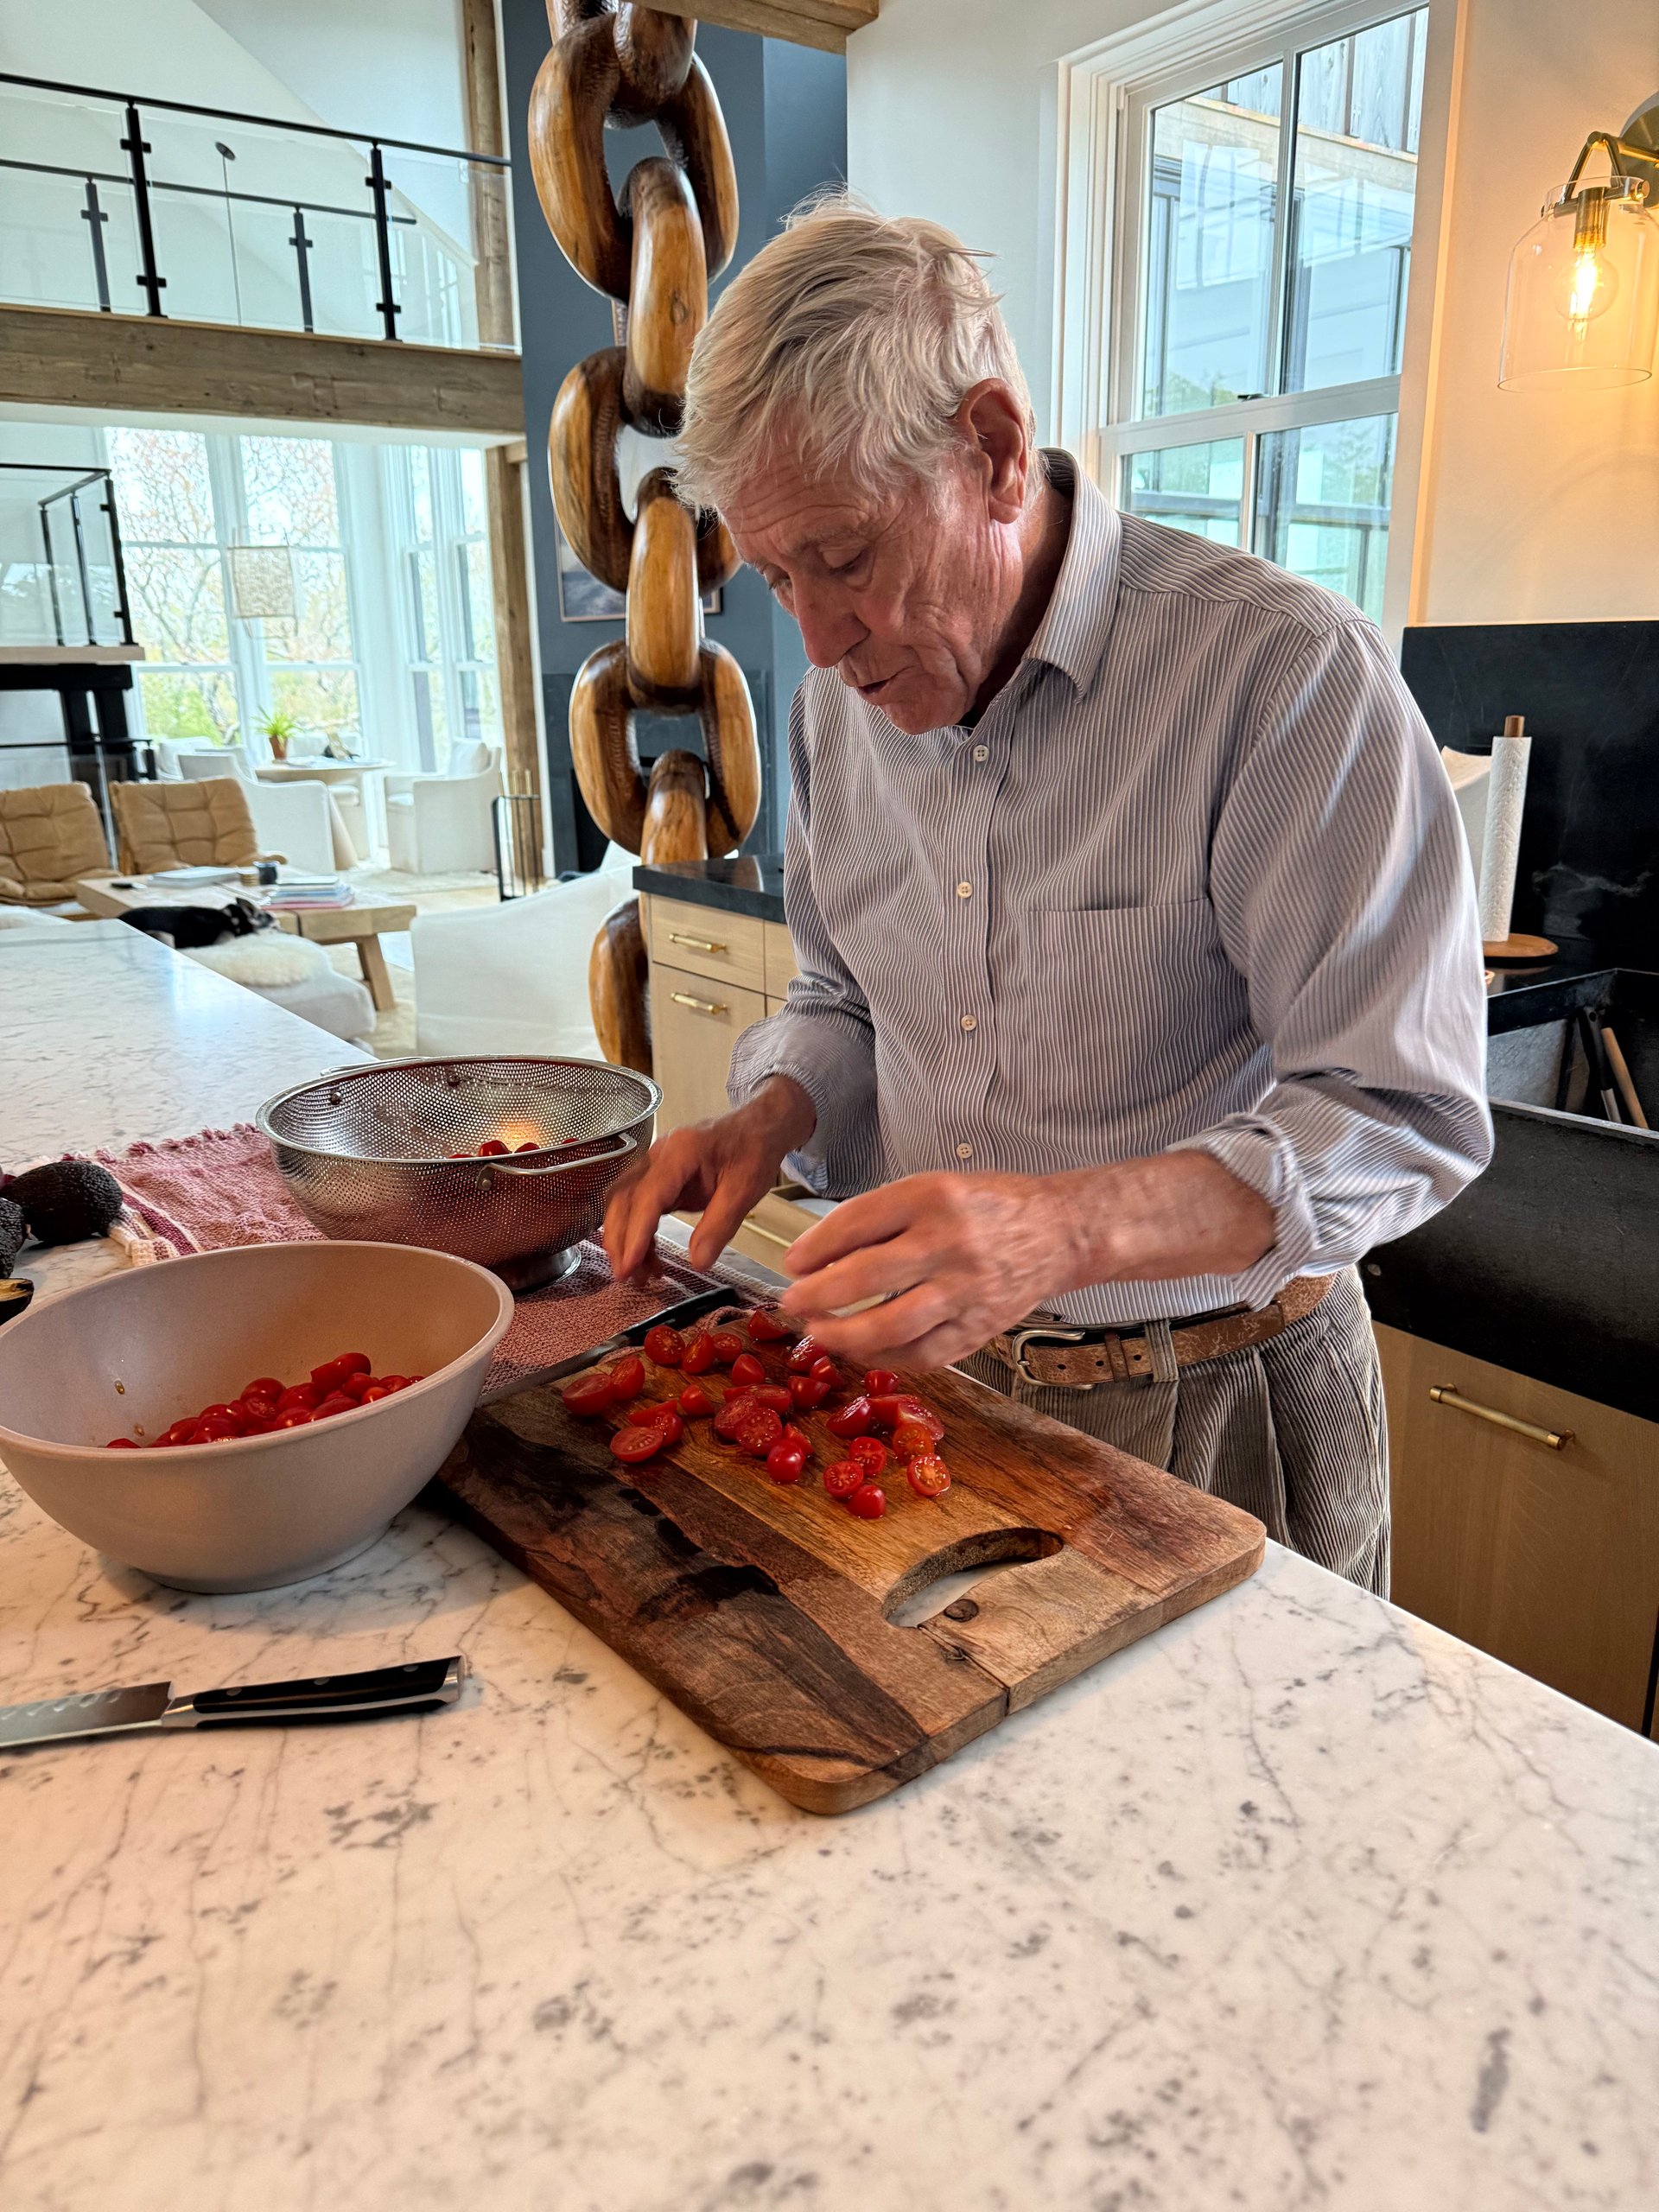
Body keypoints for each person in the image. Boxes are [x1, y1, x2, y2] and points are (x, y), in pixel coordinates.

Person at [603, 194, 1492, 1592]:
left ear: (995, 451)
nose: (820, 640)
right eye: (775, 579)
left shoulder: (1280, 674)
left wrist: (1061, 1231)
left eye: (844, 557)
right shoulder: (840, 710)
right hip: (944, 1388)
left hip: (1223, 1400)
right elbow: (846, 997)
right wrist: (773, 1115)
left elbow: (1402, 1113)